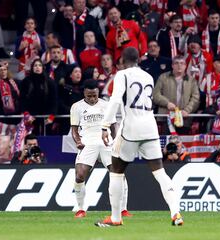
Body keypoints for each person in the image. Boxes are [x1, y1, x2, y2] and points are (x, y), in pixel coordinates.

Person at [95, 47, 183, 227]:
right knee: (160, 172)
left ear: (121, 61)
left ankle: (116, 218)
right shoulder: (148, 77)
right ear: (138, 60)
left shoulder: (122, 75)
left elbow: (116, 100)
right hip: (150, 127)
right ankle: (176, 213)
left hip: (131, 128)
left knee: (116, 172)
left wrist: (105, 125)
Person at [70, 79, 131, 218]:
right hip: (88, 142)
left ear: (98, 93)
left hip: (106, 142)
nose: (92, 98)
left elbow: (114, 126)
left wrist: (116, 142)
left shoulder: (107, 105)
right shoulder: (76, 107)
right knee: (79, 175)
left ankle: (123, 209)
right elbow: (74, 129)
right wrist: (78, 141)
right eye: (89, 96)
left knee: (118, 173)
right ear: (84, 93)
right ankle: (80, 209)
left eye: (94, 96)